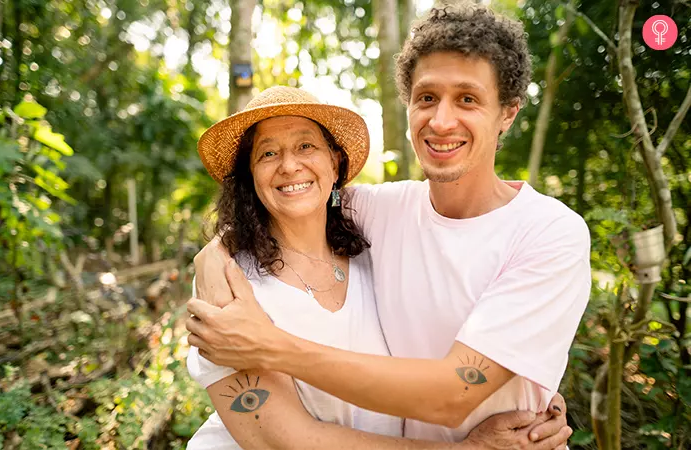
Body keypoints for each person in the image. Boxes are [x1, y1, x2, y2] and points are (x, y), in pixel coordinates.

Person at [188, 2, 588, 447]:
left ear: (508, 113)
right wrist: (212, 259)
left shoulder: (548, 232)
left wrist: (268, 345)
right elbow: (291, 202)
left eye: (468, 99)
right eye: (427, 98)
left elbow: (453, 395)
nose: (441, 121)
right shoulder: (382, 211)